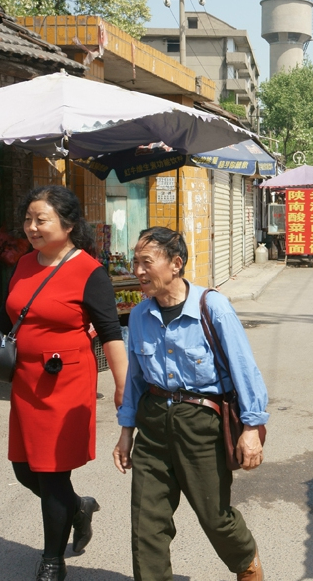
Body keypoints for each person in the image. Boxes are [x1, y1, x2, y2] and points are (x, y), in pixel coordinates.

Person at [0, 185, 128, 581]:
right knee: (24, 469)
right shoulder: (24, 264)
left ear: (68, 224)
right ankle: (78, 507)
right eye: (28, 220)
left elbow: (110, 332)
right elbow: (4, 321)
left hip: (66, 382)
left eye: (41, 220)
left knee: (52, 471)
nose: (32, 227)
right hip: (25, 380)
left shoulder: (89, 271)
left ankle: (52, 560)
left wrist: (124, 389)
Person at [113, 226, 268, 581]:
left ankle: (246, 561)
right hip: (153, 422)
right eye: (135, 262)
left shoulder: (211, 306)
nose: (137, 271)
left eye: (146, 262)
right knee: (146, 525)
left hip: (201, 422)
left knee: (214, 515)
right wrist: (126, 432)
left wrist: (251, 429)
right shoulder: (139, 315)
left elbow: (245, 370)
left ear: (176, 264)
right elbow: (135, 380)